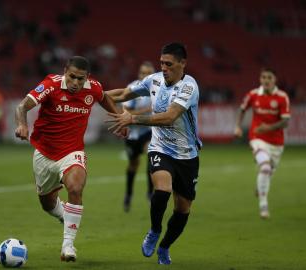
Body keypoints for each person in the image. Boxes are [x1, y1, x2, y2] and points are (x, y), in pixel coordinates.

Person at [14, 56, 127, 262]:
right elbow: (22, 106)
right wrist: (22, 125)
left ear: (87, 77)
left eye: (80, 79)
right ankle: (65, 215)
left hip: (72, 152)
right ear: (65, 71)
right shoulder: (51, 85)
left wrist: (119, 116)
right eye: (72, 77)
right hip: (44, 153)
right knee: (47, 204)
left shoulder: (92, 87)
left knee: (75, 187)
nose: (75, 83)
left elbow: (104, 97)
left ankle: (68, 246)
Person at [107, 43, 201, 265]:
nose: (164, 68)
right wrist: (91, 95)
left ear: (182, 64)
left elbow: (170, 117)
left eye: (169, 64)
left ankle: (165, 247)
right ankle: (154, 230)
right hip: (160, 148)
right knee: (162, 189)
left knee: (183, 208)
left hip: (187, 155)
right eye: (161, 63)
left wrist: (133, 118)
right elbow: (122, 93)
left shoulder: (189, 87)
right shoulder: (154, 80)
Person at [234, 68, 290, 219]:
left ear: (274, 80)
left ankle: (260, 188)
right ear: (260, 79)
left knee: (267, 173)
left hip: (277, 144)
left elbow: (286, 121)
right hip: (257, 138)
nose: (266, 80)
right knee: (265, 167)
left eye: (269, 78)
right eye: (263, 77)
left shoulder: (282, 97)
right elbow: (242, 109)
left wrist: (269, 127)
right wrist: (238, 126)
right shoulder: (253, 95)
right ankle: (263, 206)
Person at [122, 61, 155, 212]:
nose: (145, 76)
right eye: (143, 73)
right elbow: (126, 114)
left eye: (148, 73)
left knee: (151, 156)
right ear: (139, 74)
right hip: (133, 133)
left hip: (149, 130)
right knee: (133, 164)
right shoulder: (133, 89)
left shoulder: (158, 88)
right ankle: (128, 194)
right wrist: (146, 110)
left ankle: (150, 193)